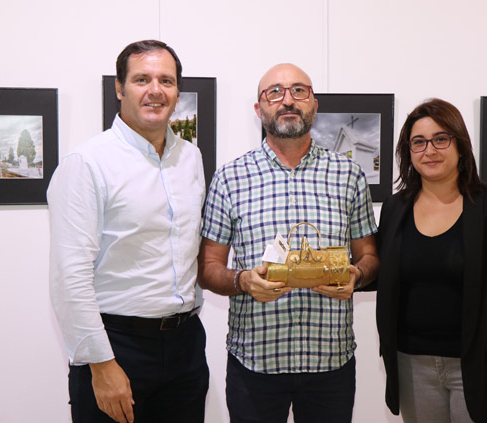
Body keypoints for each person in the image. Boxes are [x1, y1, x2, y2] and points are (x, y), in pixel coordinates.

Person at [197, 63, 379, 423]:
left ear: (314, 104)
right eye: (275, 92)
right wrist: (243, 281)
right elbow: (207, 268)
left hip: (330, 363)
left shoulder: (349, 175)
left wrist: (356, 276)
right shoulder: (230, 178)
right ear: (259, 108)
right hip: (255, 364)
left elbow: (370, 255)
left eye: (299, 91)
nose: (288, 100)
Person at [48, 40, 208, 423]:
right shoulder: (87, 163)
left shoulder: (191, 157)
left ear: (177, 92)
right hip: (117, 346)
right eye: (141, 79)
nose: (156, 90)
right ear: (119, 88)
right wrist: (101, 364)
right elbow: (70, 275)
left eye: (166, 81)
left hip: (186, 346)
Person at [374, 98, 487, 423]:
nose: (429, 150)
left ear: (460, 145)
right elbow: (382, 275)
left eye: (440, 139)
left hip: (481, 363)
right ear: (408, 151)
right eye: (418, 142)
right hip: (412, 364)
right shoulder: (395, 208)